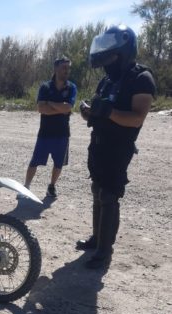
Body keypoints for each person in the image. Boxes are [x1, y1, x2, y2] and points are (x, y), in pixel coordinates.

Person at [77, 24, 156, 269]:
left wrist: (107, 111)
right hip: (99, 144)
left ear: (122, 52)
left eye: (110, 54)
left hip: (119, 147)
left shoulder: (141, 78)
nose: (106, 59)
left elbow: (137, 118)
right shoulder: (107, 80)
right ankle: (97, 238)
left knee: (109, 195)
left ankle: (104, 251)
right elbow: (99, 110)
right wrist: (89, 111)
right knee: (96, 191)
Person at [19, 57, 77, 198]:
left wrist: (50, 103)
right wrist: (60, 108)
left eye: (68, 68)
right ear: (56, 68)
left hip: (62, 133)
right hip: (45, 133)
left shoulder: (71, 87)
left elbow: (68, 107)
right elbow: (41, 109)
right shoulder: (45, 87)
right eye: (64, 67)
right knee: (35, 161)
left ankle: (51, 186)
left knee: (58, 163)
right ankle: (26, 187)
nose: (66, 71)